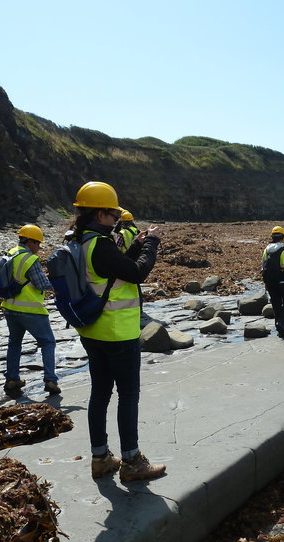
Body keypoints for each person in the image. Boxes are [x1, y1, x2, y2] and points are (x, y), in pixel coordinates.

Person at [70, 181, 166, 481]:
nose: (116, 219)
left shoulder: (79, 241)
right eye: (113, 214)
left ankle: (101, 457)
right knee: (128, 395)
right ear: (100, 214)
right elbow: (136, 272)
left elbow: (116, 269)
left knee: (99, 394)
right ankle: (132, 461)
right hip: (118, 333)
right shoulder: (100, 245)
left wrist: (136, 245)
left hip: (92, 331)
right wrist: (151, 244)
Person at [1, 224, 60, 399]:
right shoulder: (30, 260)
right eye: (38, 243)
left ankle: (12, 379)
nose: (39, 248)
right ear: (30, 241)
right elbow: (42, 284)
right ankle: (51, 380)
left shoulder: (10, 253)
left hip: (10, 307)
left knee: (14, 343)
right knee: (48, 343)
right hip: (31, 310)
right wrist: (58, 282)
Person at [261, 225, 284, 338]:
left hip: (270, 282)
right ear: (283, 237)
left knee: (276, 304)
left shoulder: (266, 249)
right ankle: (281, 323)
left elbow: (263, 265)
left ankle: (279, 327)